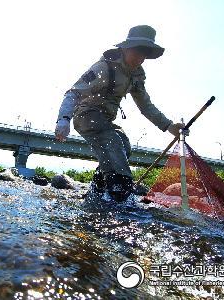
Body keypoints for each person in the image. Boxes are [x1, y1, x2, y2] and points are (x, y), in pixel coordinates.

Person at [54, 25, 187, 202]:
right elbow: (73, 93)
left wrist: (169, 125)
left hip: (106, 121)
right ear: (125, 48)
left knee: (124, 145)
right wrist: (63, 120)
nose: (140, 58)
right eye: (137, 51)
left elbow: (145, 105)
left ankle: (97, 190)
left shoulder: (136, 75)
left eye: (145, 54)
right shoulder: (103, 67)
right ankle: (121, 192)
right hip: (86, 115)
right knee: (114, 141)